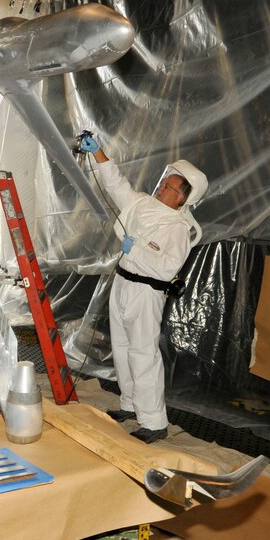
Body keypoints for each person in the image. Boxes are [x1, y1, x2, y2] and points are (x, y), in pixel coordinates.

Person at [80, 134, 208, 443]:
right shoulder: (141, 203)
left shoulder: (178, 228)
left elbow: (167, 267)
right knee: (122, 349)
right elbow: (115, 184)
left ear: (184, 199)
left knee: (143, 354)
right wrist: (98, 153)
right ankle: (129, 405)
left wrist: (135, 249)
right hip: (123, 282)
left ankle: (154, 422)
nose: (162, 188)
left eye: (170, 187)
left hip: (146, 293)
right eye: (165, 183)